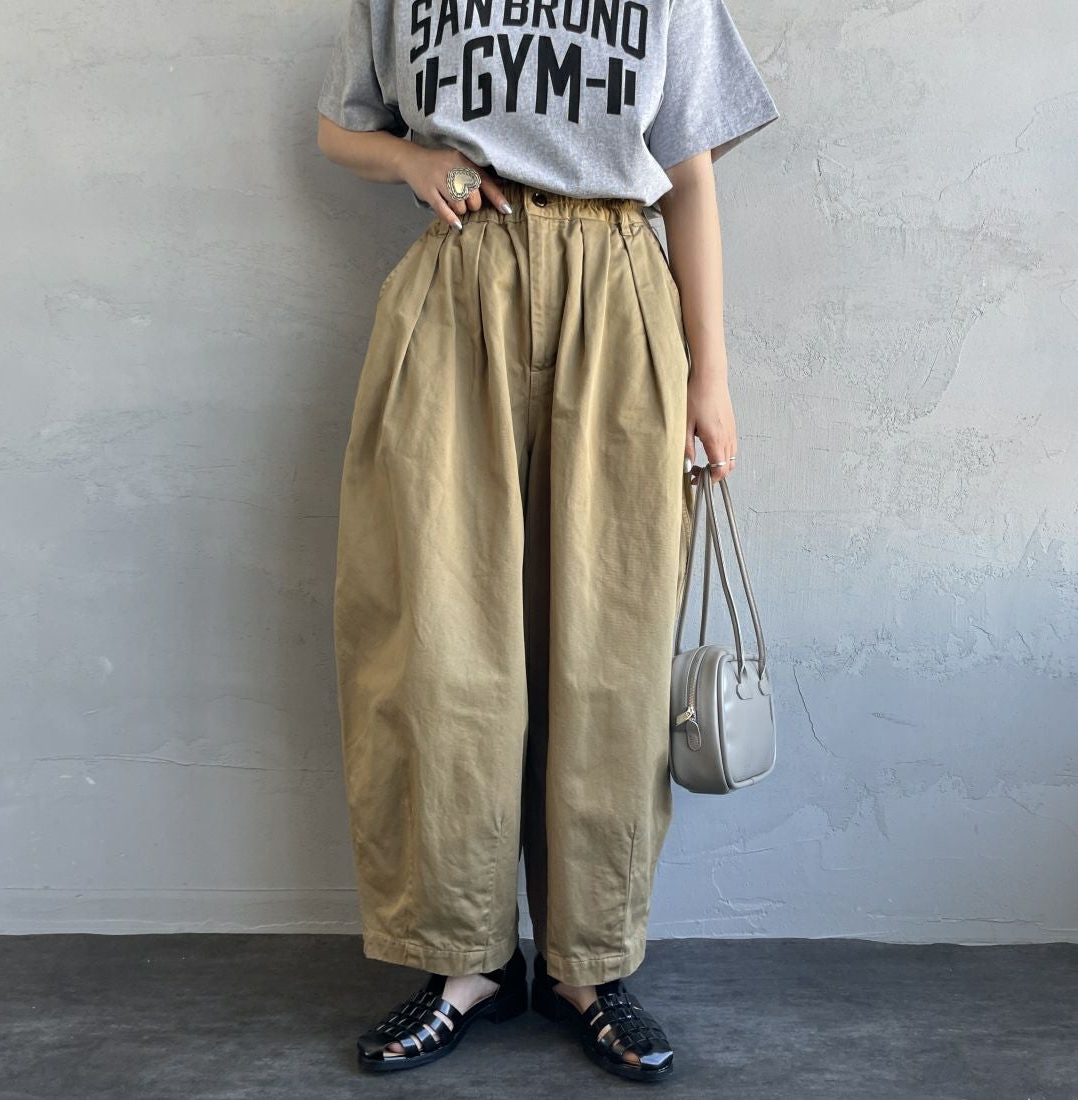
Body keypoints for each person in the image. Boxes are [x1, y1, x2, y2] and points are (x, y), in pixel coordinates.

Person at [314, 0, 779, 1082]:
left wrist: (709, 375)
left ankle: (587, 964)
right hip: (455, 285)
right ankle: (464, 962)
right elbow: (337, 126)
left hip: (617, 289)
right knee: (441, 646)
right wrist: (409, 159)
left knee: (608, 650)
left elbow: (690, 177)